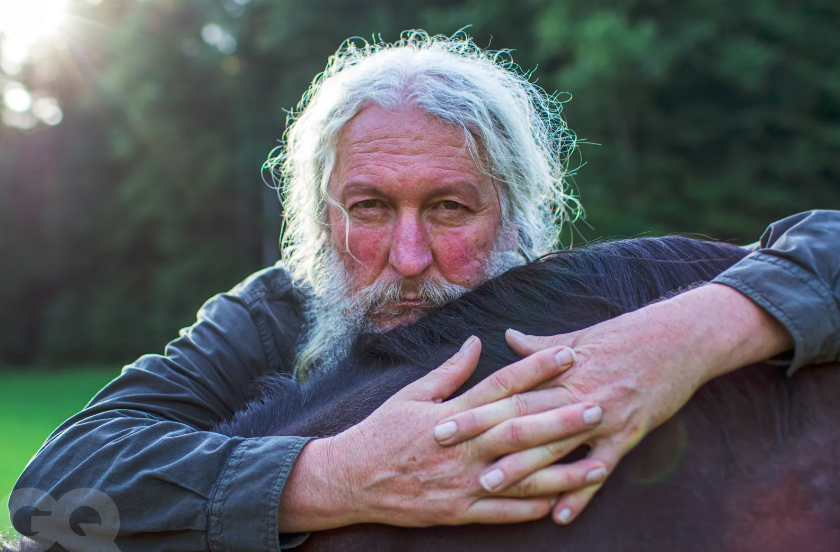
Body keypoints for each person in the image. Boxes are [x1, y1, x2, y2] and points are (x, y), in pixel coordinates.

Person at [10, 31, 840, 552]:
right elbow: (54, 495)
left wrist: (688, 336)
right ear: (322, 218)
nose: (408, 257)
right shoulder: (271, 313)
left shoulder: (585, 307)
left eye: (450, 208)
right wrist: (332, 477)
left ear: (515, 215)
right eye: (370, 208)